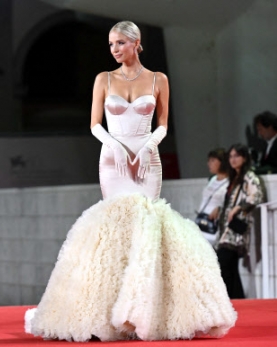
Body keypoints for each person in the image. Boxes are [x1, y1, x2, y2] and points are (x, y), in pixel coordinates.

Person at [25, 21, 236, 342]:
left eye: (121, 43)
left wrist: (148, 147)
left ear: (137, 43)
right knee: (114, 226)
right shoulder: (103, 79)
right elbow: (95, 124)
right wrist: (117, 148)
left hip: (148, 160)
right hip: (113, 161)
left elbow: (163, 124)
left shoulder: (158, 79)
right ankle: (107, 312)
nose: (114, 50)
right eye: (111, 44)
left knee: (148, 224)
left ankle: (144, 311)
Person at [216, 144, 264, 299]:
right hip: (228, 229)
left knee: (224, 263)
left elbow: (257, 196)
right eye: (230, 156)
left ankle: (234, 300)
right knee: (230, 268)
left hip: (237, 230)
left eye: (236, 156)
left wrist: (238, 208)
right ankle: (237, 300)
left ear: (244, 158)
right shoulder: (234, 178)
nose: (233, 159)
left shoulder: (249, 176)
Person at [196, 148, 229, 245]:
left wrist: (220, 208)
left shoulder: (229, 182)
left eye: (213, 160)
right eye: (208, 160)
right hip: (202, 222)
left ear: (222, 162)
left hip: (215, 226)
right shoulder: (213, 179)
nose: (209, 163)